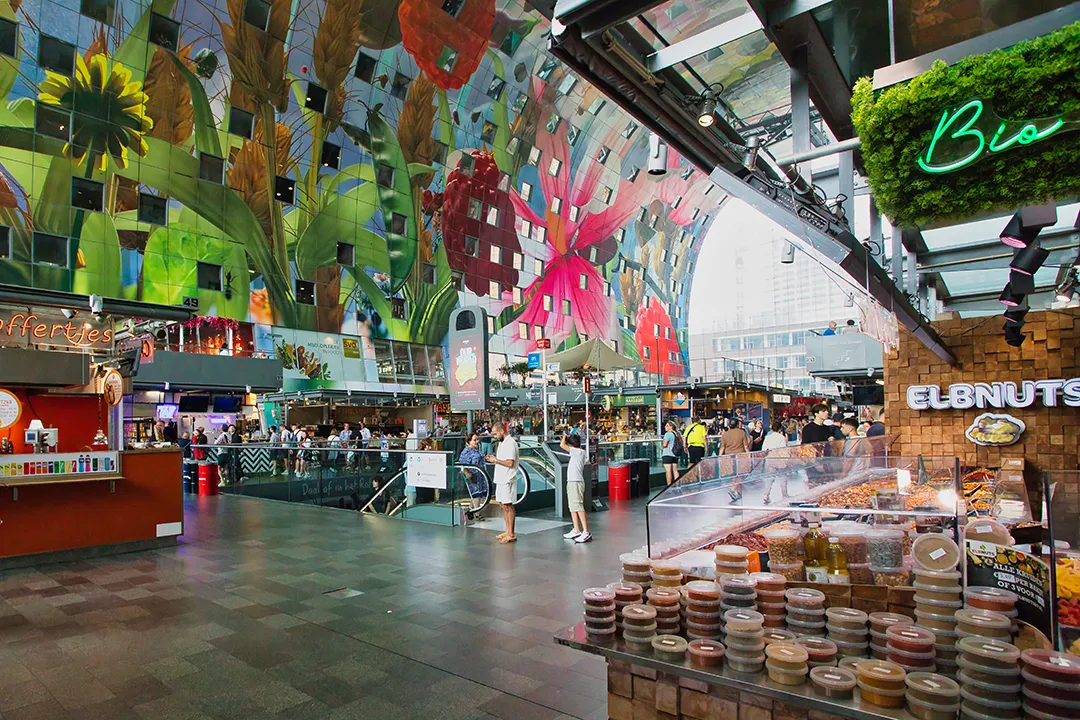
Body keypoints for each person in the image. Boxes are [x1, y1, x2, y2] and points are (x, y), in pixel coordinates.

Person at [485, 422, 519, 544]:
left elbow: (510, 463)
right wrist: (494, 460)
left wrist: (496, 460)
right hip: (501, 478)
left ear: (502, 431)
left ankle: (511, 533)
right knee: (503, 506)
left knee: (508, 506)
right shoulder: (502, 443)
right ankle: (507, 530)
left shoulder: (510, 443)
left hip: (507, 479)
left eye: (495, 434)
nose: (494, 436)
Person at [560, 434, 591, 543]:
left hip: (576, 482)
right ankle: (576, 529)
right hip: (572, 482)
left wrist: (564, 436)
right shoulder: (578, 452)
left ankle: (586, 532)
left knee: (578, 506)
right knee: (573, 507)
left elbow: (562, 445)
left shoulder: (578, 452)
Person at [719, 418, 750, 501]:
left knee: (733, 475)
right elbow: (746, 446)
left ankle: (735, 492)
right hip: (740, 457)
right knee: (741, 474)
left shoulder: (725, 434)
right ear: (737, 424)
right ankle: (733, 489)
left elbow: (722, 447)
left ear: (729, 425)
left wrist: (719, 457)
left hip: (728, 458)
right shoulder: (742, 433)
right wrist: (749, 456)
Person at [458, 433, 487, 519]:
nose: (477, 441)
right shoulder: (466, 451)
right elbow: (462, 464)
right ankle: (477, 514)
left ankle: (470, 511)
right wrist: (467, 473)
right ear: (469, 441)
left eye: (478, 440)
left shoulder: (477, 450)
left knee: (480, 494)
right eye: (475, 440)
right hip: (473, 476)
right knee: (476, 494)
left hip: (481, 476)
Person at [661, 420, 679, 485]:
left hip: (667, 454)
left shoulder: (668, 434)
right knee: (675, 470)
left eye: (667, 426)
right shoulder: (676, 434)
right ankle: (678, 484)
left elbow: (665, 444)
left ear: (671, 427)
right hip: (675, 454)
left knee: (668, 471)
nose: (665, 427)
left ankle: (669, 485)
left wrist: (662, 447)